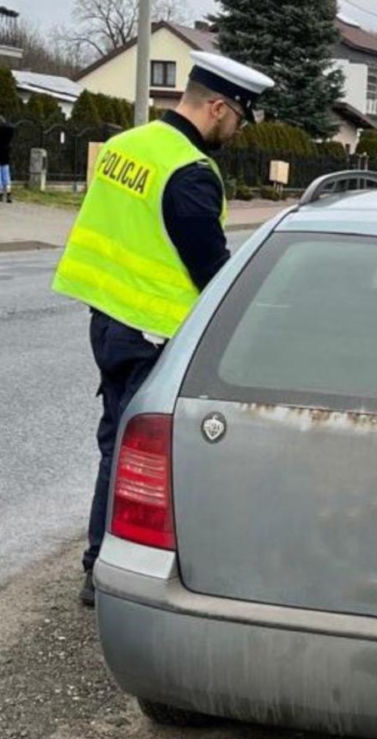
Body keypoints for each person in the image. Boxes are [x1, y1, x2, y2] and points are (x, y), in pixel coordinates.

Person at [51, 52, 274, 606]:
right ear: (217, 107)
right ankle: (103, 572)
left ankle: (98, 563)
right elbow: (211, 271)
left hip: (106, 320)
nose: (237, 131)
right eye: (238, 119)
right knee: (136, 454)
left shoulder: (129, 146)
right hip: (152, 332)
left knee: (115, 442)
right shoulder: (190, 171)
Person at [0, 115, 14, 203]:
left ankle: (0, 193)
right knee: (6, 174)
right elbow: (11, 126)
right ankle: (8, 193)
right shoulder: (9, 130)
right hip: (6, 153)